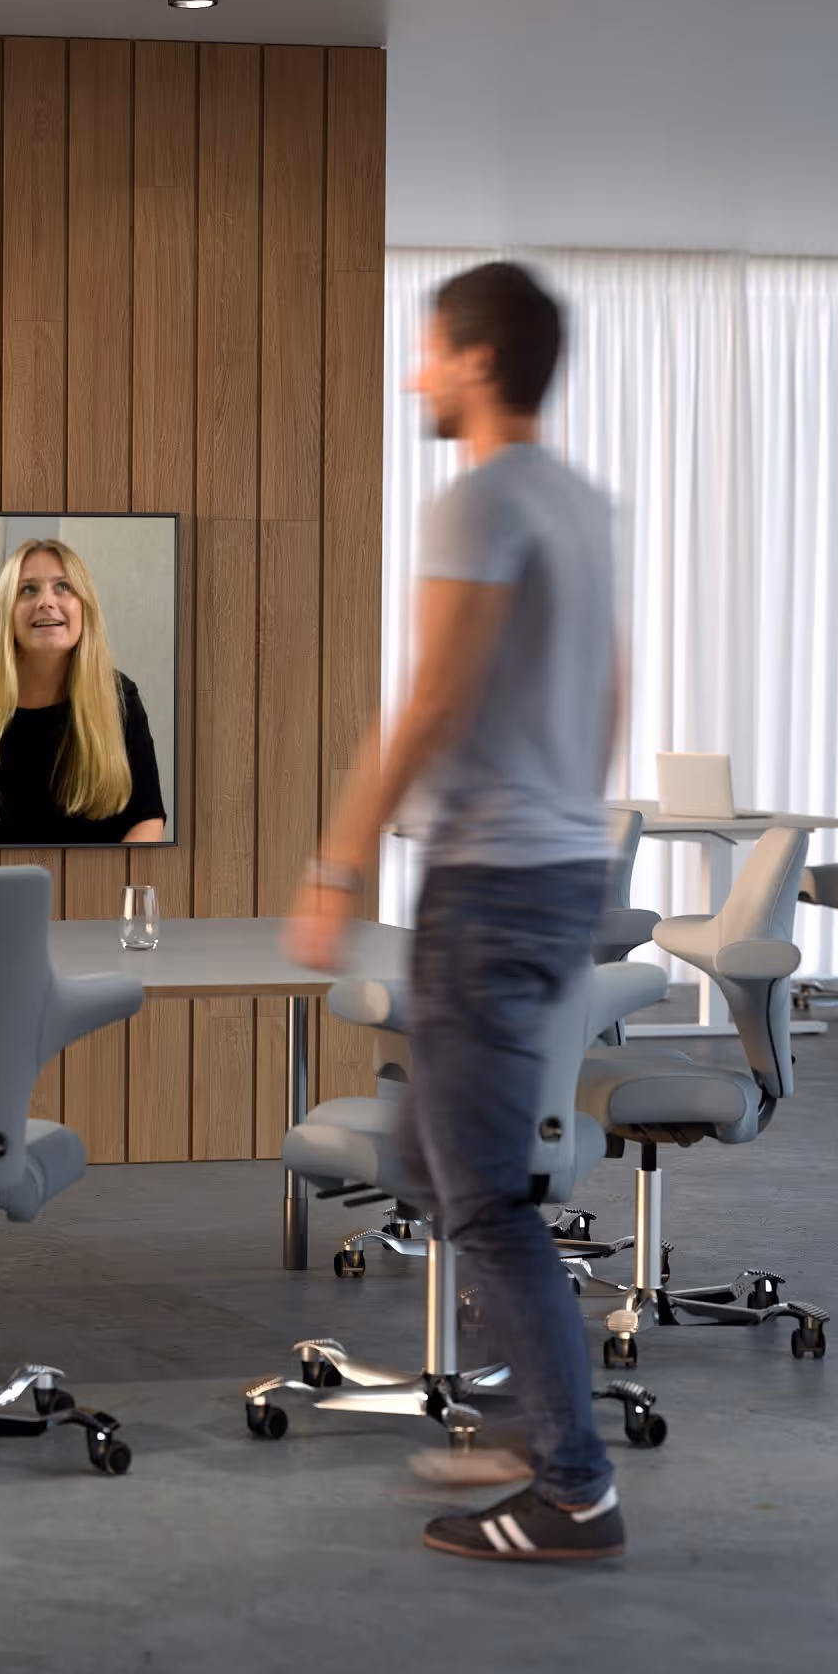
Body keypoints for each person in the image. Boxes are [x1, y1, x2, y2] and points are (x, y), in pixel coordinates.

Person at [286, 260, 627, 1564]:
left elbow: (429, 697)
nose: (415, 373)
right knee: (428, 1153)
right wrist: (566, 821)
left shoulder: (478, 502)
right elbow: (612, 689)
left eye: (429, 352)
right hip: (551, 869)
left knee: (478, 1195)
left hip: (487, 883)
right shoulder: (583, 508)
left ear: (479, 363)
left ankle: (574, 1490)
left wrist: (335, 866)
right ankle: (534, 1416)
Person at [0, 538, 165, 847]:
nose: (46, 601)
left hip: (100, 892)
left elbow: (147, 819)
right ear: (6, 614)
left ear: (85, 606)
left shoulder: (120, 697)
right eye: (28, 589)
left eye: (63, 587)